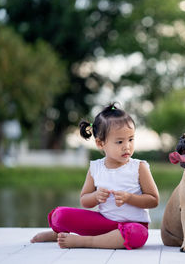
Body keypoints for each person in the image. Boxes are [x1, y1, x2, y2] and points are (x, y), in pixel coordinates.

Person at [31, 103, 159, 249]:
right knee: (59, 215)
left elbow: (154, 200)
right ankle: (58, 234)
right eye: (119, 142)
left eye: (131, 139)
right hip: (103, 223)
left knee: (136, 234)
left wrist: (129, 198)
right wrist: (96, 196)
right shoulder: (96, 168)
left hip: (132, 225)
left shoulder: (139, 167)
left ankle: (84, 241)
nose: (127, 146)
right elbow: (84, 200)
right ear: (100, 143)